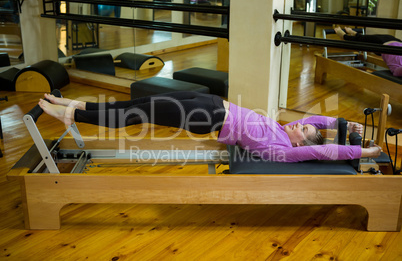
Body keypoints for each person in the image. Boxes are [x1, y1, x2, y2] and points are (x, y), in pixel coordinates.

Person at [38, 91, 381, 163]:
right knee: (140, 103)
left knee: (136, 117)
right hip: (214, 103)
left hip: (209, 120)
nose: (299, 125)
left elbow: (323, 149)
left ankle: (74, 116)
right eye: (302, 126)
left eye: (302, 130)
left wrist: (361, 151)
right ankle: (80, 105)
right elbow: (314, 123)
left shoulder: (284, 151)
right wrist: (341, 122)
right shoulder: (284, 129)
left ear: (302, 143)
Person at [334, 26, 402, 77]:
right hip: (398, 43)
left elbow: (396, 72)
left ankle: (344, 37)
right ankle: (355, 34)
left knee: (364, 40)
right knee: (367, 38)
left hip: (383, 46)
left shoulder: (397, 70)